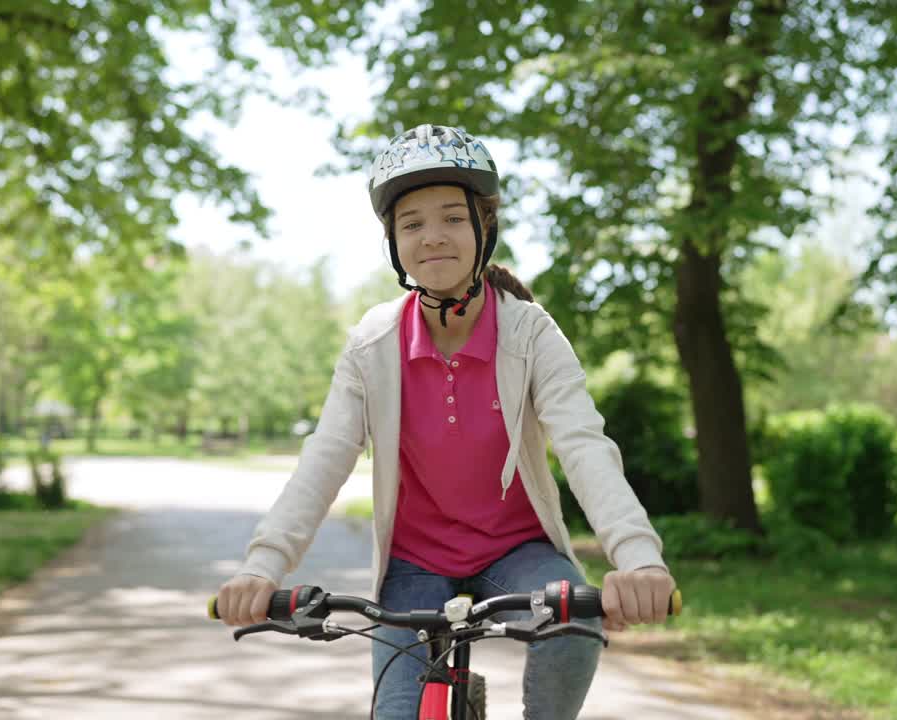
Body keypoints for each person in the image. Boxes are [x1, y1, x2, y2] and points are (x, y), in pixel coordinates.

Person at [215, 123, 676, 719]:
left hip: (517, 551)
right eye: (412, 223)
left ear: (485, 228)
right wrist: (262, 567)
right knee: (397, 712)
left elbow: (586, 447)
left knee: (573, 628)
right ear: (394, 241)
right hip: (414, 563)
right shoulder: (372, 345)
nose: (433, 237)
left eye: (453, 218)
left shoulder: (531, 335)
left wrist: (639, 560)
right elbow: (323, 460)